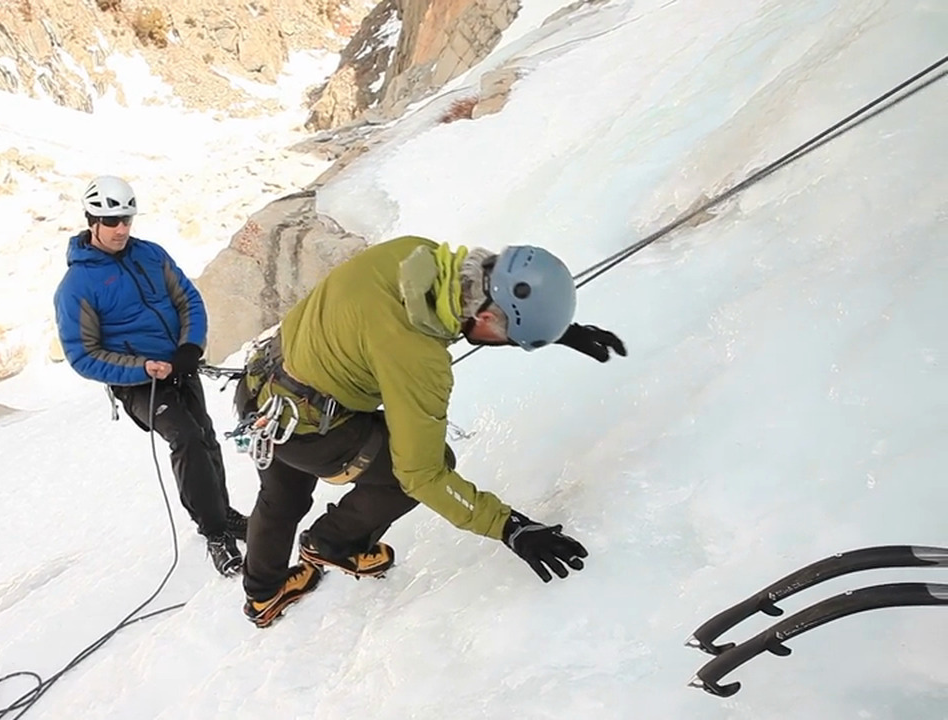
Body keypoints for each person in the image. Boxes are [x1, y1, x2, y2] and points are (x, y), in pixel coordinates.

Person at [232, 235, 627, 627]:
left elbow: (478, 309)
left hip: (262, 390)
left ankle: (262, 593)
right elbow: (422, 476)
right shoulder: (418, 359)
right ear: (487, 319)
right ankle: (333, 544)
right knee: (416, 468)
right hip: (309, 430)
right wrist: (512, 528)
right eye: (510, 338)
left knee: (281, 498)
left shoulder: (413, 253)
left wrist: (560, 330)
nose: (508, 344)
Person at [53, 175, 248, 577]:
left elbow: (188, 299)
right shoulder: (76, 286)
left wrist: (189, 347)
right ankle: (215, 533)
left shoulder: (151, 255)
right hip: (139, 384)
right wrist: (141, 368)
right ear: (92, 222)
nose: (121, 229)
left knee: (205, 436)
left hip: (180, 365)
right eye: (112, 222)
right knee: (186, 438)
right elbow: (82, 354)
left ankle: (222, 512)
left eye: (126, 219)